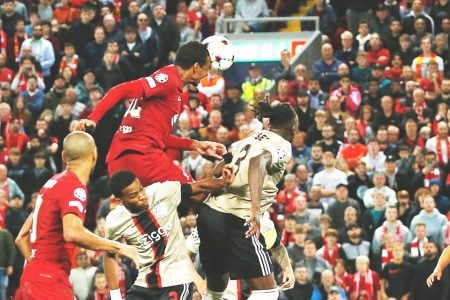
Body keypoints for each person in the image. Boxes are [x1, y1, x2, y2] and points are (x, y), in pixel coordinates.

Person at [75, 41, 226, 186]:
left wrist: (194, 145)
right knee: (195, 191)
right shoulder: (168, 79)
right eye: (206, 68)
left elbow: (159, 137)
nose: (207, 74)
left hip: (119, 160)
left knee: (149, 210)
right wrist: (92, 119)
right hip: (141, 156)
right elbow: (121, 90)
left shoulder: (173, 92)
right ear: (195, 67)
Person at [14, 132, 137, 300]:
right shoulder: (73, 187)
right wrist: (120, 247)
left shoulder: (52, 183)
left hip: (31, 278)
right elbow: (72, 232)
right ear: (94, 154)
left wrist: (38, 270)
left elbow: (21, 237)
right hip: (48, 283)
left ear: (64, 156)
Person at [198, 101, 297, 300]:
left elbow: (218, 170)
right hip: (239, 217)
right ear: (293, 127)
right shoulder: (282, 145)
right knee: (267, 292)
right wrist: (255, 211)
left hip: (209, 214)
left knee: (215, 292)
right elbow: (257, 162)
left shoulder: (250, 138)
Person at [104, 169, 235, 300]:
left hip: (176, 281)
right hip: (143, 284)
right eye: (133, 195)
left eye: (141, 189)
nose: (142, 196)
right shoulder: (115, 221)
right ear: (120, 201)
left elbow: (199, 186)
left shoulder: (163, 192)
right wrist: (115, 295)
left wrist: (224, 182)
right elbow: (109, 253)